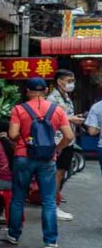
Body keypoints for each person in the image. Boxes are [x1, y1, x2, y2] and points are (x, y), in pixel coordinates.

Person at [2, 77, 74, 248]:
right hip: (47, 159)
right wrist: (57, 149)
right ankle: (50, 241)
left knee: (18, 197)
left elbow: (12, 134)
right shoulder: (57, 110)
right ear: (46, 90)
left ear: (27, 91)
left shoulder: (19, 109)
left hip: (23, 156)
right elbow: (69, 136)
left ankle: (13, 234)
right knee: (49, 200)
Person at [46, 69, 80, 221]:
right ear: (59, 81)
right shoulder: (52, 98)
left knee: (61, 173)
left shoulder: (66, 97)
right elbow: (51, 118)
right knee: (57, 174)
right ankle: (52, 206)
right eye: (69, 80)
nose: (71, 83)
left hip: (68, 141)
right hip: (57, 141)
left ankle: (54, 204)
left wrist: (73, 118)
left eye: (72, 80)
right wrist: (71, 119)